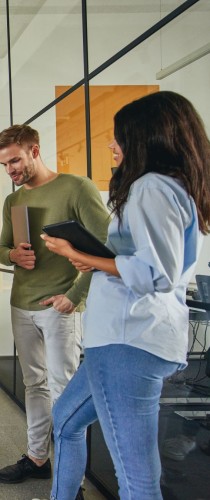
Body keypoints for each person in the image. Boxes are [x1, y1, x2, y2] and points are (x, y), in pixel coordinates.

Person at [40, 91, 210, 500]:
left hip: (128, 341)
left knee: (135, 476)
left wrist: (77, 253)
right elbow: (146, 261)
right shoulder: (169, 186)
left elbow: (156, 273)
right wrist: (96, 260)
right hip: (122, 339)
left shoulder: (152, 187)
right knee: (64, 421)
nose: (112, 145)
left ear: (147, 138)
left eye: (119, 137)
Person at [0, 124, 110, 495]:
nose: (10, 170)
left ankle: (71, 480)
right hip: (22, 303)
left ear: (34, 150)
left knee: (65, 391)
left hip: (60, 306)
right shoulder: (12, 202)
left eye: (14, 160)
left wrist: (75, 295)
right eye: (3, 165)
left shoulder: (77, 188)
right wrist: (11, 254)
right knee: (34, 385)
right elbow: (1, 248)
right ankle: (36, 459)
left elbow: (107, 249)